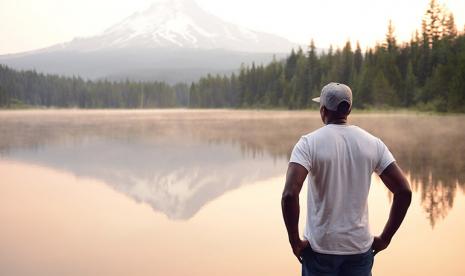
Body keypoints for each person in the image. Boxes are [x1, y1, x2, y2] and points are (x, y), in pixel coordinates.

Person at [281, 82, 412, 276]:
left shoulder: (308, 144)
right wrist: (385, 238)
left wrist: (295, 241)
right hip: (359, 250)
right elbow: (404, 191)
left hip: (319, 251)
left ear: (323, 110)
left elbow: (290, 195)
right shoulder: (373, 143)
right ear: (348, 109)